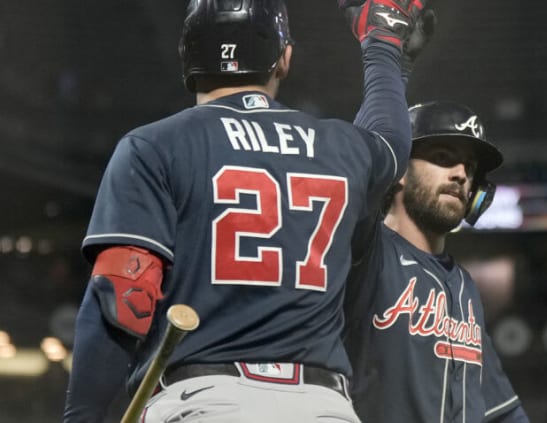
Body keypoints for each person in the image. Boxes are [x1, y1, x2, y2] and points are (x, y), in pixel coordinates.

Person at [62, 0, 431, 421]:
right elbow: (390, 141)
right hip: (322, 406)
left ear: (188, 54)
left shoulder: (153, 146)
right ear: (284, 59)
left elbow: (122, 301)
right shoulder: (342, 146)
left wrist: (82, 417)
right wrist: (382, 43)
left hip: (203, 400)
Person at [344, 101, 530, 423]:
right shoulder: (367, 251)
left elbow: (504, 412)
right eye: (444, 158)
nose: (461, 175)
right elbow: (359, 164)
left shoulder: (465, 286)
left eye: (470, 168)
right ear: (398, 169)